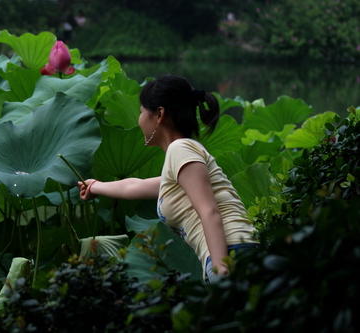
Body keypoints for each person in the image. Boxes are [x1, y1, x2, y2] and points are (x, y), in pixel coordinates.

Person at [78, 75, 258, 282]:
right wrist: (96, 186)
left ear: (160, 114)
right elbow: (136, 187)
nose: (139, 120)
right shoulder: (181, 159)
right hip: (234, 252)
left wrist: (220, 267)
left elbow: (209, 211)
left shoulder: (180, 149)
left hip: (231, 253)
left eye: (141, 112)